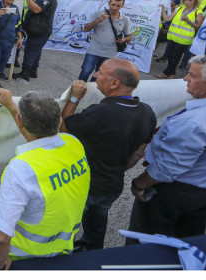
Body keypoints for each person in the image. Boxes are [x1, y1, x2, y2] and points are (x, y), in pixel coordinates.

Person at [128, 55, 206, 241]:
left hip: (175, 195)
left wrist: (139, 184)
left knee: (145, 245)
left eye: (192, 75)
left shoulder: (194, 123)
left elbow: (167, 168)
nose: (185, 79)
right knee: (185, 242)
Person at [0, 89, 90, 268]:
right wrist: (11, 106)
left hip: (23, 258)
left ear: (20, 121)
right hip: (63, 250)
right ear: (59, 121)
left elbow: (0, 236)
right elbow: (38, 136)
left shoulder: (21, 168)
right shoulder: (74, 143)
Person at [62, 59, 156, 250]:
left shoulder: (101, 112)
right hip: (113, 185)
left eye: (101, 72)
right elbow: (138, 154)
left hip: (82, 184)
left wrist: (74, 98)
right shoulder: (147, 112)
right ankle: (93, 255)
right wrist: (115, 169)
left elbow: (64, 131)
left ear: (115, 83)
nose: (95, 74)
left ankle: (60, 262)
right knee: (97, 222)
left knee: (66, 228)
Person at [77, 0, 133, 82]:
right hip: (94, 50)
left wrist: (124, 40)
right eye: (113, 5)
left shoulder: (125, 19)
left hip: (110, 54)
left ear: (122, 6)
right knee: (85, 72)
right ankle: (77, 92)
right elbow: (86, 29)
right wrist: (98, 20)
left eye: (118, 6)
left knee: (99, 76)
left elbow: (129, 36)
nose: (115, 8)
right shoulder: (99, 13)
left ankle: (90, 93)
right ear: (109, 3)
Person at [13, 0, 57, 84]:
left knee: (31, 51)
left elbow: (37, 9)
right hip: (39, 29)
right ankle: (33, 71)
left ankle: (25, 74)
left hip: (40, 30)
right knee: (36, 51)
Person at [156, 0, 203, 79]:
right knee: (170, 56)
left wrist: (188, 21)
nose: (187, 2)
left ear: (195, 2)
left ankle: (166, 72)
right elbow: (167, 19)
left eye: (190, 0)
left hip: (184, 39)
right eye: (186, 0)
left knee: (176, 57)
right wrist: (163, 9)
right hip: (172, 36)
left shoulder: (198, 12)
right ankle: (171, 73)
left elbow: (199, 26)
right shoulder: (179, 8)